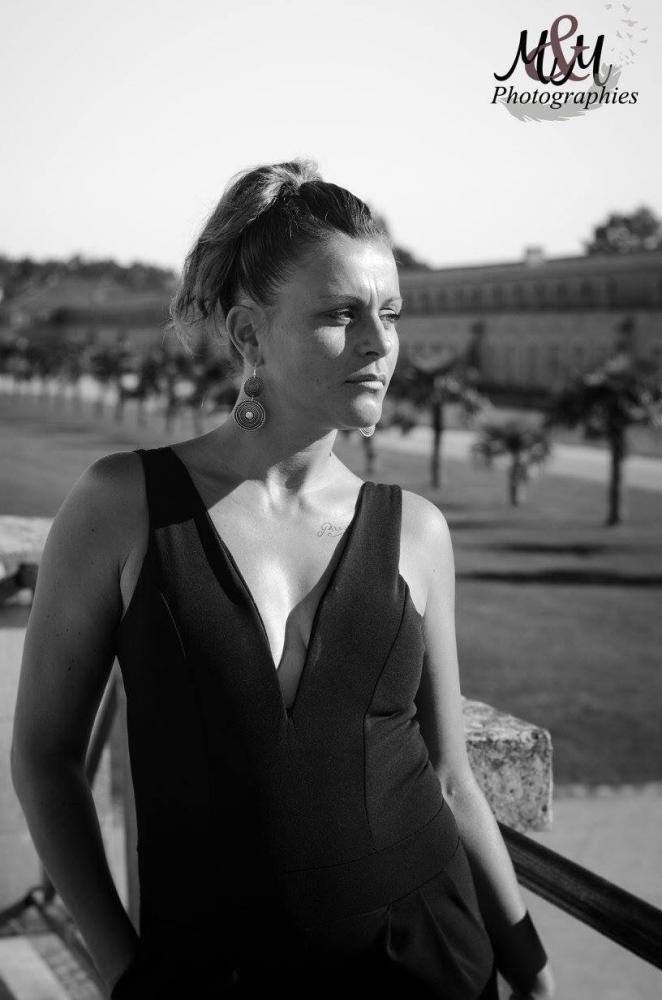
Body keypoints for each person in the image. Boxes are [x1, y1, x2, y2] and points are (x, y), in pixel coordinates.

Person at [11, 159, 554, 1000]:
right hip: (207, 972)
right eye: (341, 314)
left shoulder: (416, 532)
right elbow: (45, 757)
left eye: (390, 313)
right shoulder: (122, 507)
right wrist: (126, 972)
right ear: (248, 335)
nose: (378, 343)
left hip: (429, 962)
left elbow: (450, 777)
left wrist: (530, 968)